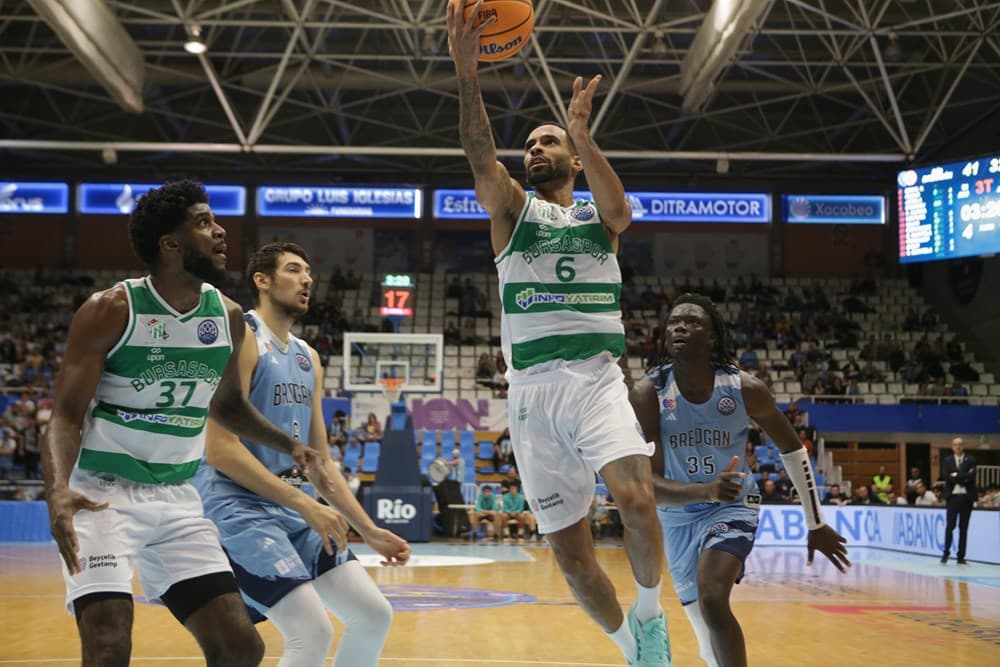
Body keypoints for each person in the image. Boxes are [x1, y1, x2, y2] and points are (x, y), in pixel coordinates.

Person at [449, 5, 669, 664]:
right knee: (573, 563)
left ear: (573, 157)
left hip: (598, 380)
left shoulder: (597, 219)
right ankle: (635, 650)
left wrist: (581, 130)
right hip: (534, 394)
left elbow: (622, 210)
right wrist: (467, 70)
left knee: (634, 497)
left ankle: (652, 612)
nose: (534, 149)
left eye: (548, 142)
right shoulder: (513, 213)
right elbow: (480, 154)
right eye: (531, 144)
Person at [40, 180, 334, 666]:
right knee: (110, 645)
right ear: (170, 245)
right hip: (102, 497)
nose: (220, 232)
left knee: (240, 647)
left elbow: (228, 406)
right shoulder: (111, 310)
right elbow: (65, 416)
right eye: (204, 223)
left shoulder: (227, 316)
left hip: (177, 499)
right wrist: (57, 489)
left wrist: (290, 445)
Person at [193, 242, 409, 666]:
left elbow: (319, 461)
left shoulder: (309, 357)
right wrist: (305, 505)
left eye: (309, 273)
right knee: (312, 631)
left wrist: (368, 529)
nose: (307, 279)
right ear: (263, 280)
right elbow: (219, 450)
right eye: (294, 270)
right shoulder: (244, 338)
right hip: (235, 507)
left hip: (289, 508)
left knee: (373, 615)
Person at [630, 294, 849, 667]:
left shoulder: (745, 389)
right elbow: (647, 483)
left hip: (733, 505)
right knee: (704, 631)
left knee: (714, 599)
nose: (680, 326)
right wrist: (705, 490)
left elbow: (793, 450)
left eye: (693, 322)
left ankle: (727, 552)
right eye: (673, 322)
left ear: (713, 337)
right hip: (678, 514)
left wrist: (815, 523)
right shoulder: (649, 393)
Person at [941, 437, 976, 564]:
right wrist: (964, 475)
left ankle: (961, 557)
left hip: (967, 497)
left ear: (964, 446)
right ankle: (946, 553)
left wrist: (955, 475)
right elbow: (946, 477)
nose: (958, 447)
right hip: (953, 497)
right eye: (955, 444)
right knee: (950, 526)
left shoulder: (970, 459)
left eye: (960, 444)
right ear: (952, 446)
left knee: (963, 528)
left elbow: (972, 477)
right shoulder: (947, 460)